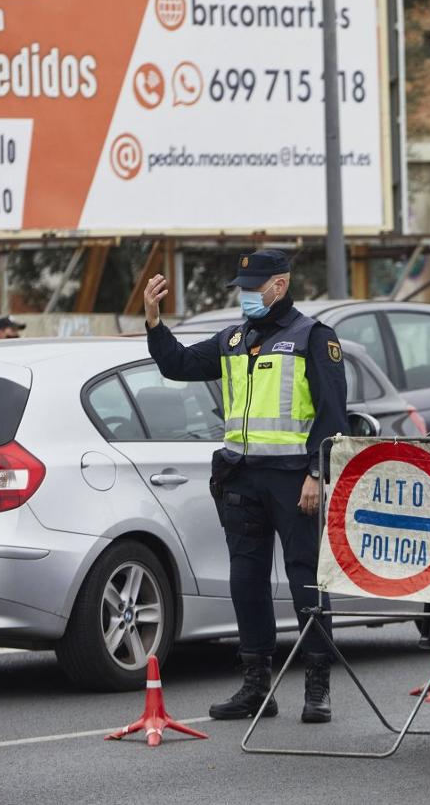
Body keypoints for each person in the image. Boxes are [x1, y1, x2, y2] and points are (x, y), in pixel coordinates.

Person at [143, 249, 348, 723]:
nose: (247, 295)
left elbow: (333, 415)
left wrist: (317, 474)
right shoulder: (235, 339)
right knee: (246, 583)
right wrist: (154, 322)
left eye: (255, 287)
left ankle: (318, 686)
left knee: (305, 580)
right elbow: (177, 365)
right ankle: (257, 686)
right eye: (243, 287)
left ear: (280, 285)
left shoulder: (312, 338)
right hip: (242, 477)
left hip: (295, 480)